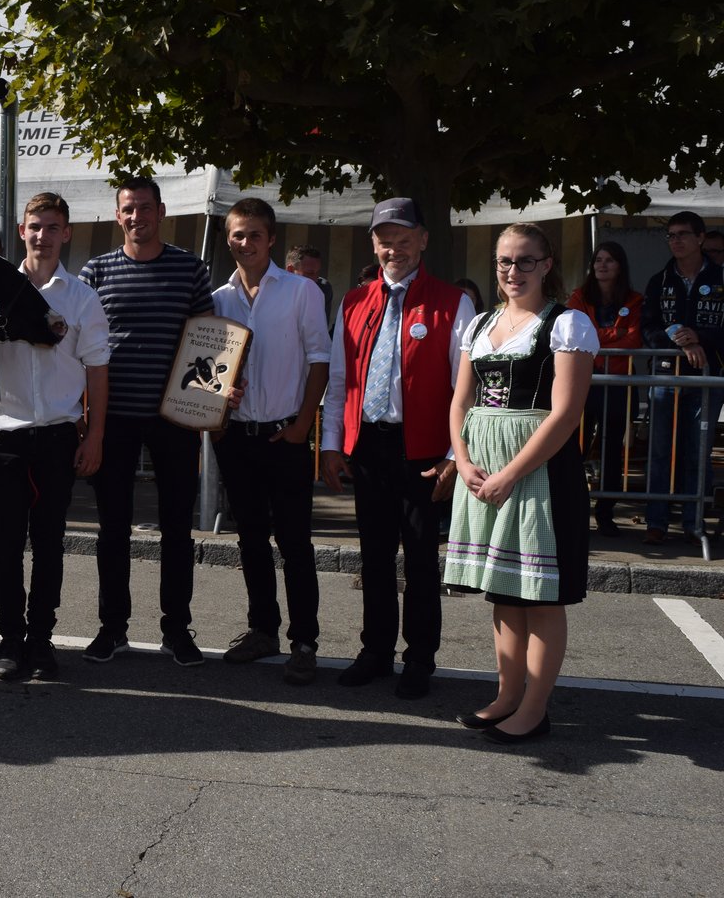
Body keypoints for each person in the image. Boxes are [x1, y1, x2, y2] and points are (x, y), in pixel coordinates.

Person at [445, 223, 598, 744]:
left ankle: (534, 708)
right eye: (505, 261)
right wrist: (463, 462)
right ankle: (507, 695)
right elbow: (460, 402)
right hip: (483, 465)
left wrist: (511, 472)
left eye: (525, 261)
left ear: (547, 264)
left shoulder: (565, 324)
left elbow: (565, 413)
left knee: (539, 595)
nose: (513, 271)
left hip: (538, 471)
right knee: (504, 591)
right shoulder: (481, 323)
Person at [319, 197, 475, 700]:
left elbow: (463, 389)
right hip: (369, 447)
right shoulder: (354, 300)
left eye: (404, 238)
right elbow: (340, 381)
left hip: (425, 453)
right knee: (375, 557)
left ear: (423, 240)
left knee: (422, 560)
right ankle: (376, 651)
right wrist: (330, 445)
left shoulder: (453, 302)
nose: (394, 248)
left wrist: (455, 457)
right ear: (373, 244)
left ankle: (420, 659)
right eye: (384, 240)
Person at [78, 175, 217, 667]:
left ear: (161, 211)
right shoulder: (95, 271)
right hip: (112, 418)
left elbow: (210, 343)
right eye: (127, 209)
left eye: (144, 207)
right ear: (119, 216)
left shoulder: (190, 269)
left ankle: (177, 630)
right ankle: (111, 628)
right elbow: (84, 345)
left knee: (177, 531)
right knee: (111, 529)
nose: (136, 216)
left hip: (174, 420)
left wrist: (204, 407)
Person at [0, 192, 110, 681]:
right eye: (35, 226)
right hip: (5, 434)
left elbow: (97, 369)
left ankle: (42, 641)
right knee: (8, 542)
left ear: (67, 233)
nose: (43, 235)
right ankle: (10, 640)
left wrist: (94, 434)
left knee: (50, 543)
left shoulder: (80, 297)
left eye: (52, 227)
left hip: (58, 435)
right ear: (21, 232)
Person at [212, 199, 330, 684]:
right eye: (238, 235)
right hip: (238, 437)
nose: (246, 243)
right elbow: (211, 371)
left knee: (296, 543)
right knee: (251, 540)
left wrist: (303, 425)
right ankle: (263, 630)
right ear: (229, 239)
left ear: (272, 238)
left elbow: (320, 361)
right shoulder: (219, 298)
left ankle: (305, 640)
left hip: (286, 435)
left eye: (255, 234)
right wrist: (223, 398)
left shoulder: (302, 291)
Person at [639, 211, 724, 545]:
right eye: (671, 235)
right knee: (660, 450)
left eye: (683, 234)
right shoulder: (659, 280)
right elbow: (647, 328)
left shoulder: (720, 277)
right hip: (665, 375)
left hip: (708, 377)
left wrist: (699, 337)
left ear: (701, 238)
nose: (675, 240)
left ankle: (694, 521)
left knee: (697, 451)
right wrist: (675, 336)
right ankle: (655, 522)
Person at [566, 242, 643, 537]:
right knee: (575, 449)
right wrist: (614, 335)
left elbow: (633, 341)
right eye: (598, 259)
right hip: (584, 382)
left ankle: (606, 514)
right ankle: (572, 509)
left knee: (613, 452)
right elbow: (574, 333)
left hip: (619, 384)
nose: (602, 265)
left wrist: (595, 339)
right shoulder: (579, 297)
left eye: (609, 260)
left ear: (620, 265)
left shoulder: (635, 300)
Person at [286, 244, 333, 324]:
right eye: (309, 273)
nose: (315, 279)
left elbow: (320, 329)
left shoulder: (323, 289)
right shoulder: (272, 289)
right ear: (290, 270)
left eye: (317, 273)